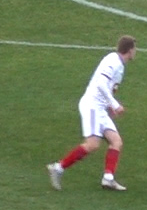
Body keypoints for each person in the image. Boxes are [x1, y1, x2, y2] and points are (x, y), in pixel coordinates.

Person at [48, 36, 136, 191]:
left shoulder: (119, 65)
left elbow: (108, 87)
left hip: (100, 108)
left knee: (116, 141)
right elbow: (101, 83)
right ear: (129, 50)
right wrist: (114, 104)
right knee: (92, 144)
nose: (135, 52)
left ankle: (108, 179)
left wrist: (109, 106)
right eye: (134, 48)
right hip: (92, 106)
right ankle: (58, 168)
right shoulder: (113, 61)